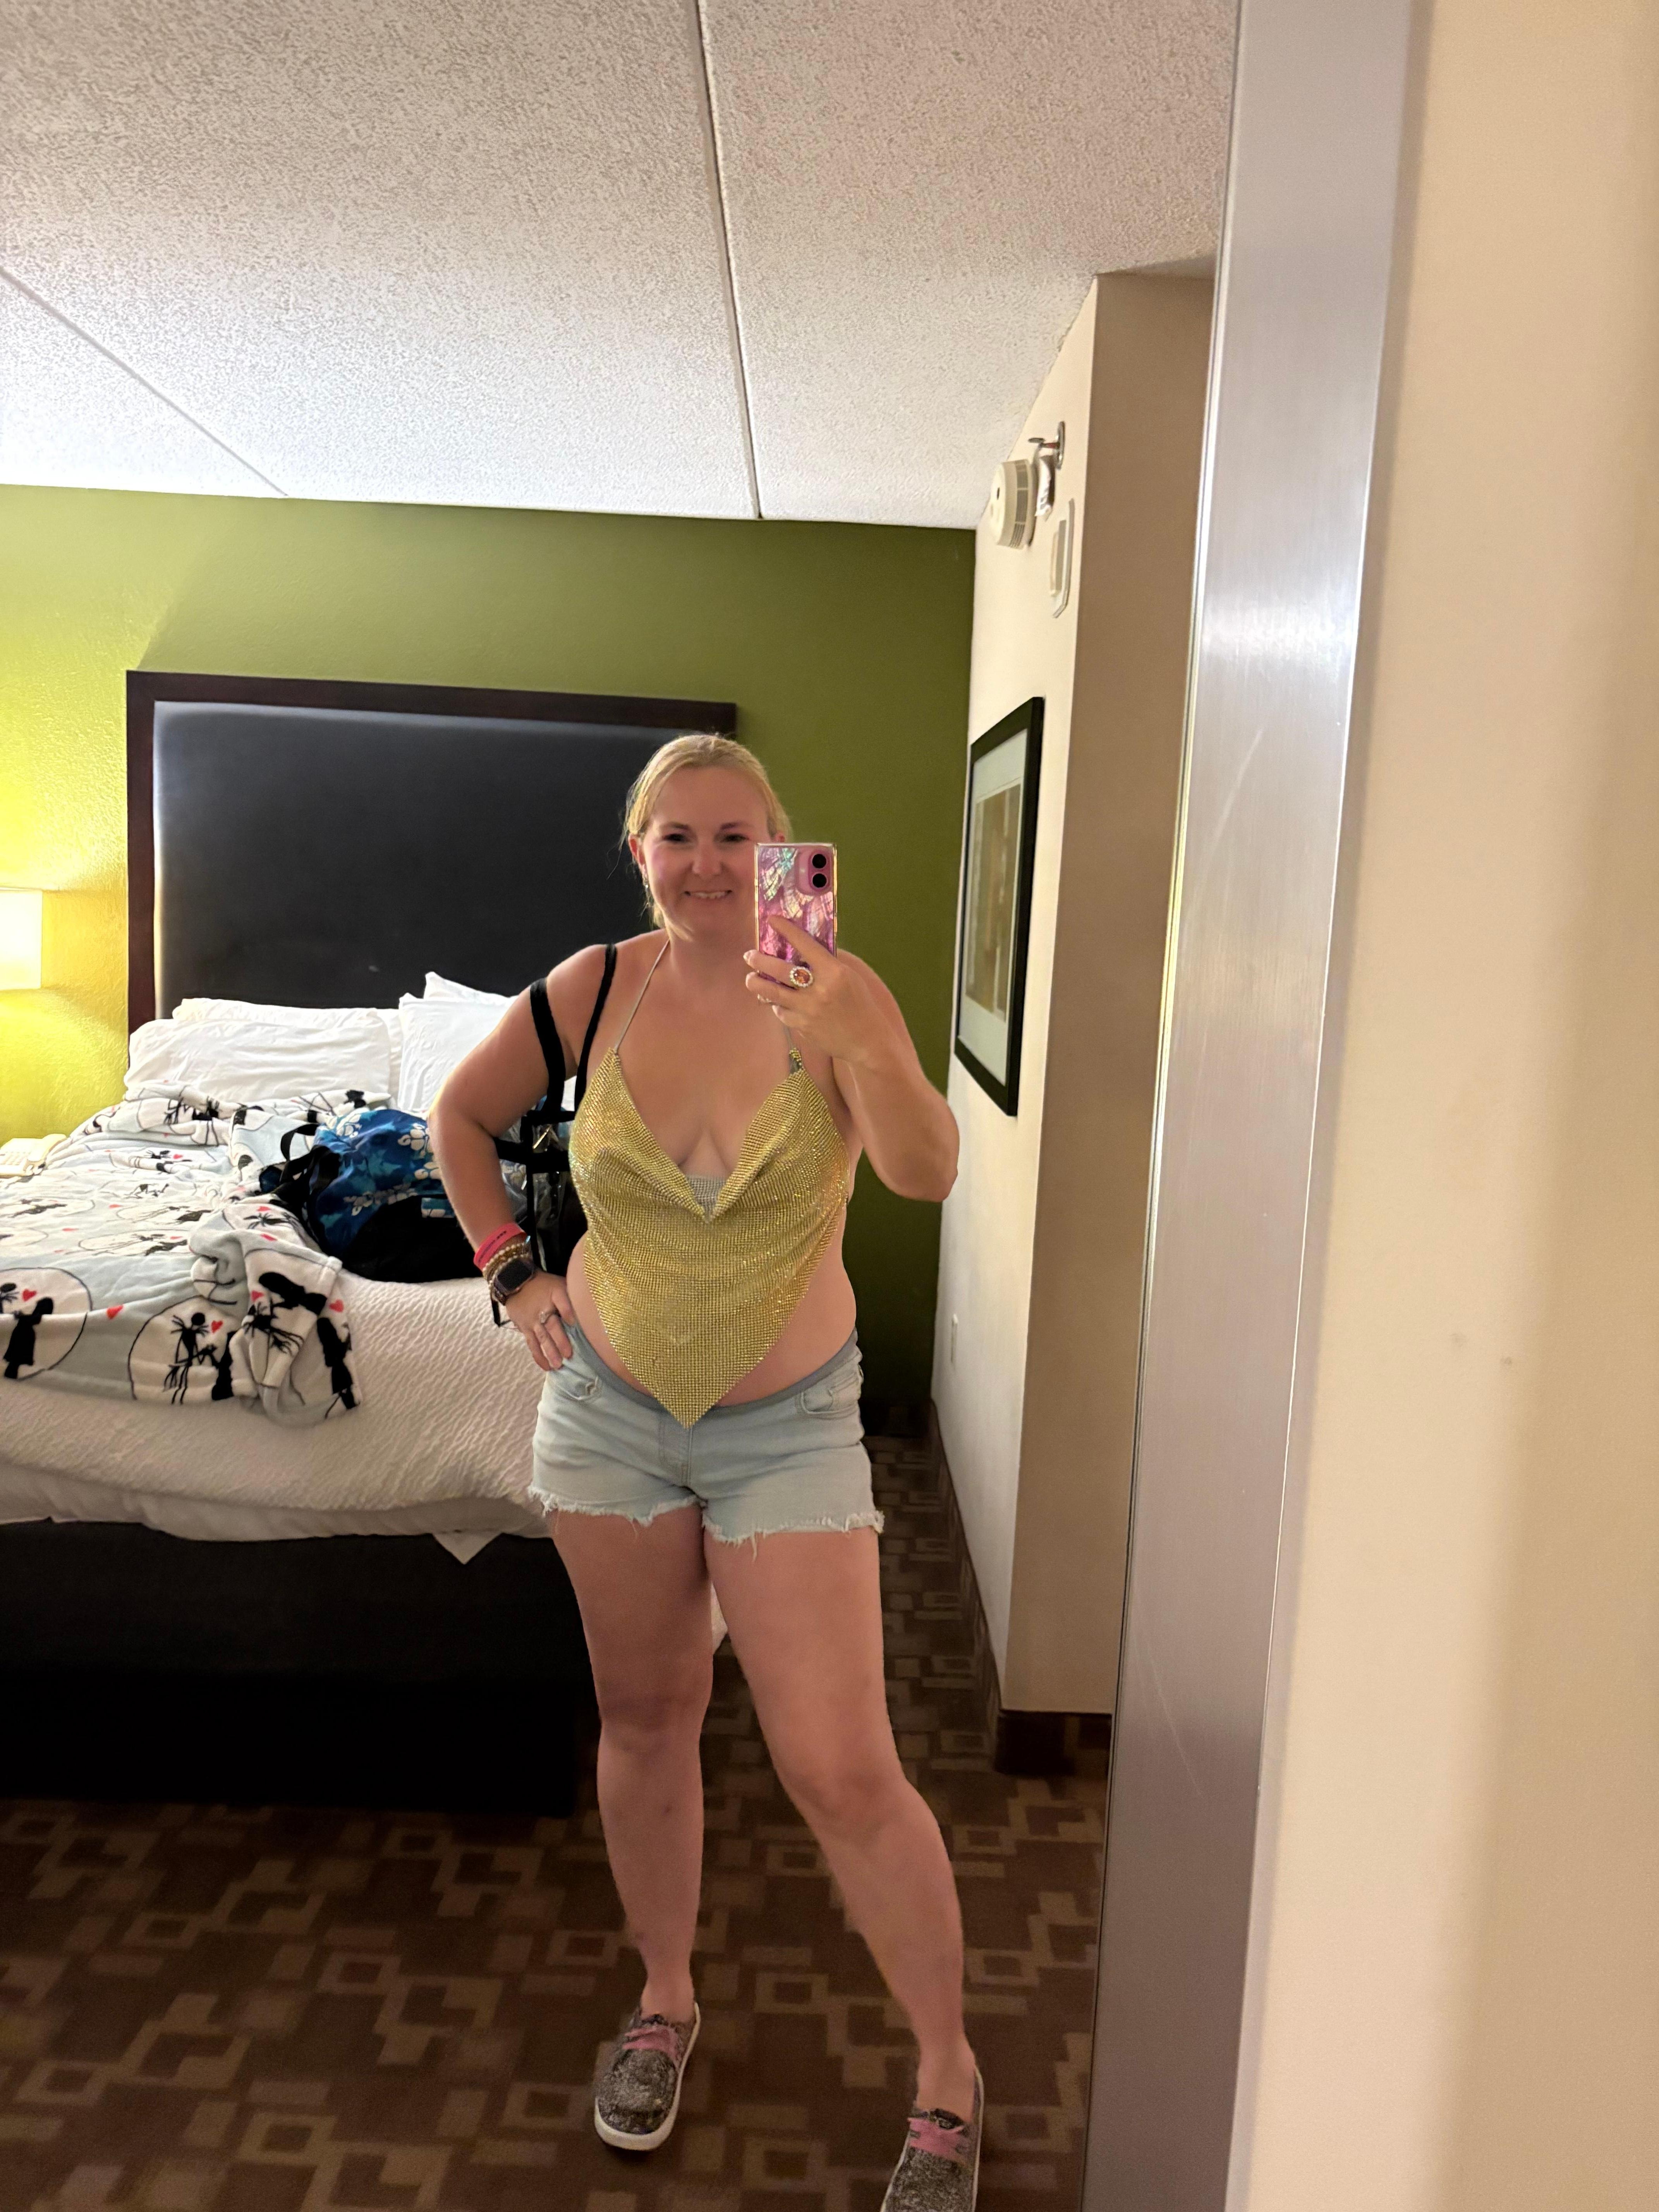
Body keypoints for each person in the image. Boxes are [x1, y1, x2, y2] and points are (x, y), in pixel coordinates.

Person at [431, 735, 982, 2207]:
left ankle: (947, 2076)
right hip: (607, 1417)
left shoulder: (831, 997)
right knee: (646, 1714)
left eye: (737, 837)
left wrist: (864, 1034)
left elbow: (926, 1172)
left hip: (786, 1424)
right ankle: (664, 2002)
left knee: (841, 1768)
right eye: (676, 836)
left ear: (780, 849)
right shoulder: (590, 990)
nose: (707, 864)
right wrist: (513, 1273)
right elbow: (458, 1121)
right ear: (639, 851)